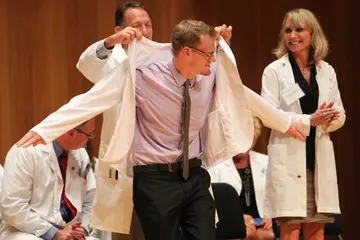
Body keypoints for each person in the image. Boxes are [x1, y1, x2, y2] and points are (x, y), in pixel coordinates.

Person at [17, 19, 306, 240]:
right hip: (154, 180)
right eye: (208, 53)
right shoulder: (143, 73)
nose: (213, 59)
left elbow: (244, 95)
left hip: (194, 175)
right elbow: (93, 99)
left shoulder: (211, 71)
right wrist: (45, 129)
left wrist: (286, 122)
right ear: (187, 52)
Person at [260, 8, 346, 240]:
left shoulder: (326, 70)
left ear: (312, 34)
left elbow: (340, 112)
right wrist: (310, 120)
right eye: (288, 30)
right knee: (291, 231)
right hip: (288, 161)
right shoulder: (274, 71)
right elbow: (269, 114)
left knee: (317, 231)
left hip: (318, 162)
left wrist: (330, 119)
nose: (292, 35)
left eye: (299, 29)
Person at [77, 2, 152, 239]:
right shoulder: (110, 61)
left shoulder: (162, 58)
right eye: (136, 25)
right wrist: (111, 42)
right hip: (125, 162)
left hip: (157, 162)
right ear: (119, 29)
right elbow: (85, 64)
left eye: (148, 24)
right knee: (126, 232)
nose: (144, 30)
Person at [0, 120, 97, 240]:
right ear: (71, 132)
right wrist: (54, 233)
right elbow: (13, 207)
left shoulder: (81, 154)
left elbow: (90, 200)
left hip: (68, 231)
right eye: (89, 134)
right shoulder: (25, 151)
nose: (92, 138)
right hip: (26, 231)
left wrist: (81, 229)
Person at [208, 117, 275, 240]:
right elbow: (212, 204)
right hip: (231, 222)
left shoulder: (266, 162)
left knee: (266, 235)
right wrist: (238, 218)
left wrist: (272, 217)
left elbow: (275, 197)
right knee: (246, 235)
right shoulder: (214, 166)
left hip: (261, 222)